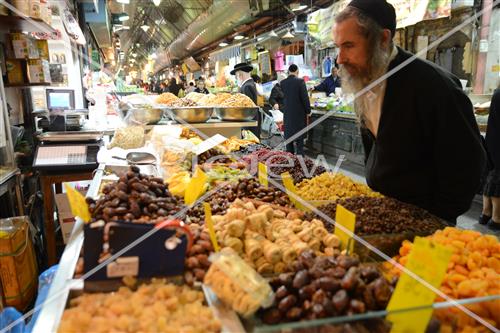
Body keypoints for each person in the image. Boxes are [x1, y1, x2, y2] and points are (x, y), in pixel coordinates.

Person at [333, 0, 486, 223]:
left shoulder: (434, 85)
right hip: (385, 212)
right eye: (338, 46)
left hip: (425, 223)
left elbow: (469, 162)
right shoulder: (363, 80)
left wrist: (436, 217)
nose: (340, 58)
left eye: (349, 46)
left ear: (383, 39)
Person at [480, 86, 500, 230]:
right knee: (498, 178)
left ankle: (485, 213)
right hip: (498, 141)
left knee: (491, 175)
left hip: (493, 138)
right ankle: (496, 218)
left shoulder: (497, 92)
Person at [280, 64, 311, 156]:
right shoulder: (300, 81)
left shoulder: (283, 83)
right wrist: (308, 111)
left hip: (287, 114)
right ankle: (299, 157)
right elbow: (305, 98)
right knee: (299, 138)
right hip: (299, 114)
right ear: (297, 72)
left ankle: (289, 156)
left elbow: (282, 98)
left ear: (288, 72)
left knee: (289, 137)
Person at [231, 62, 259, 136]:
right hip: (251, 123)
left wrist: (245, 128)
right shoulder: (250, 84)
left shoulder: (246, 86)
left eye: (236, 76)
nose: (236, 78)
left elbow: (248, 109)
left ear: (240, 75)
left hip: (249, 126)